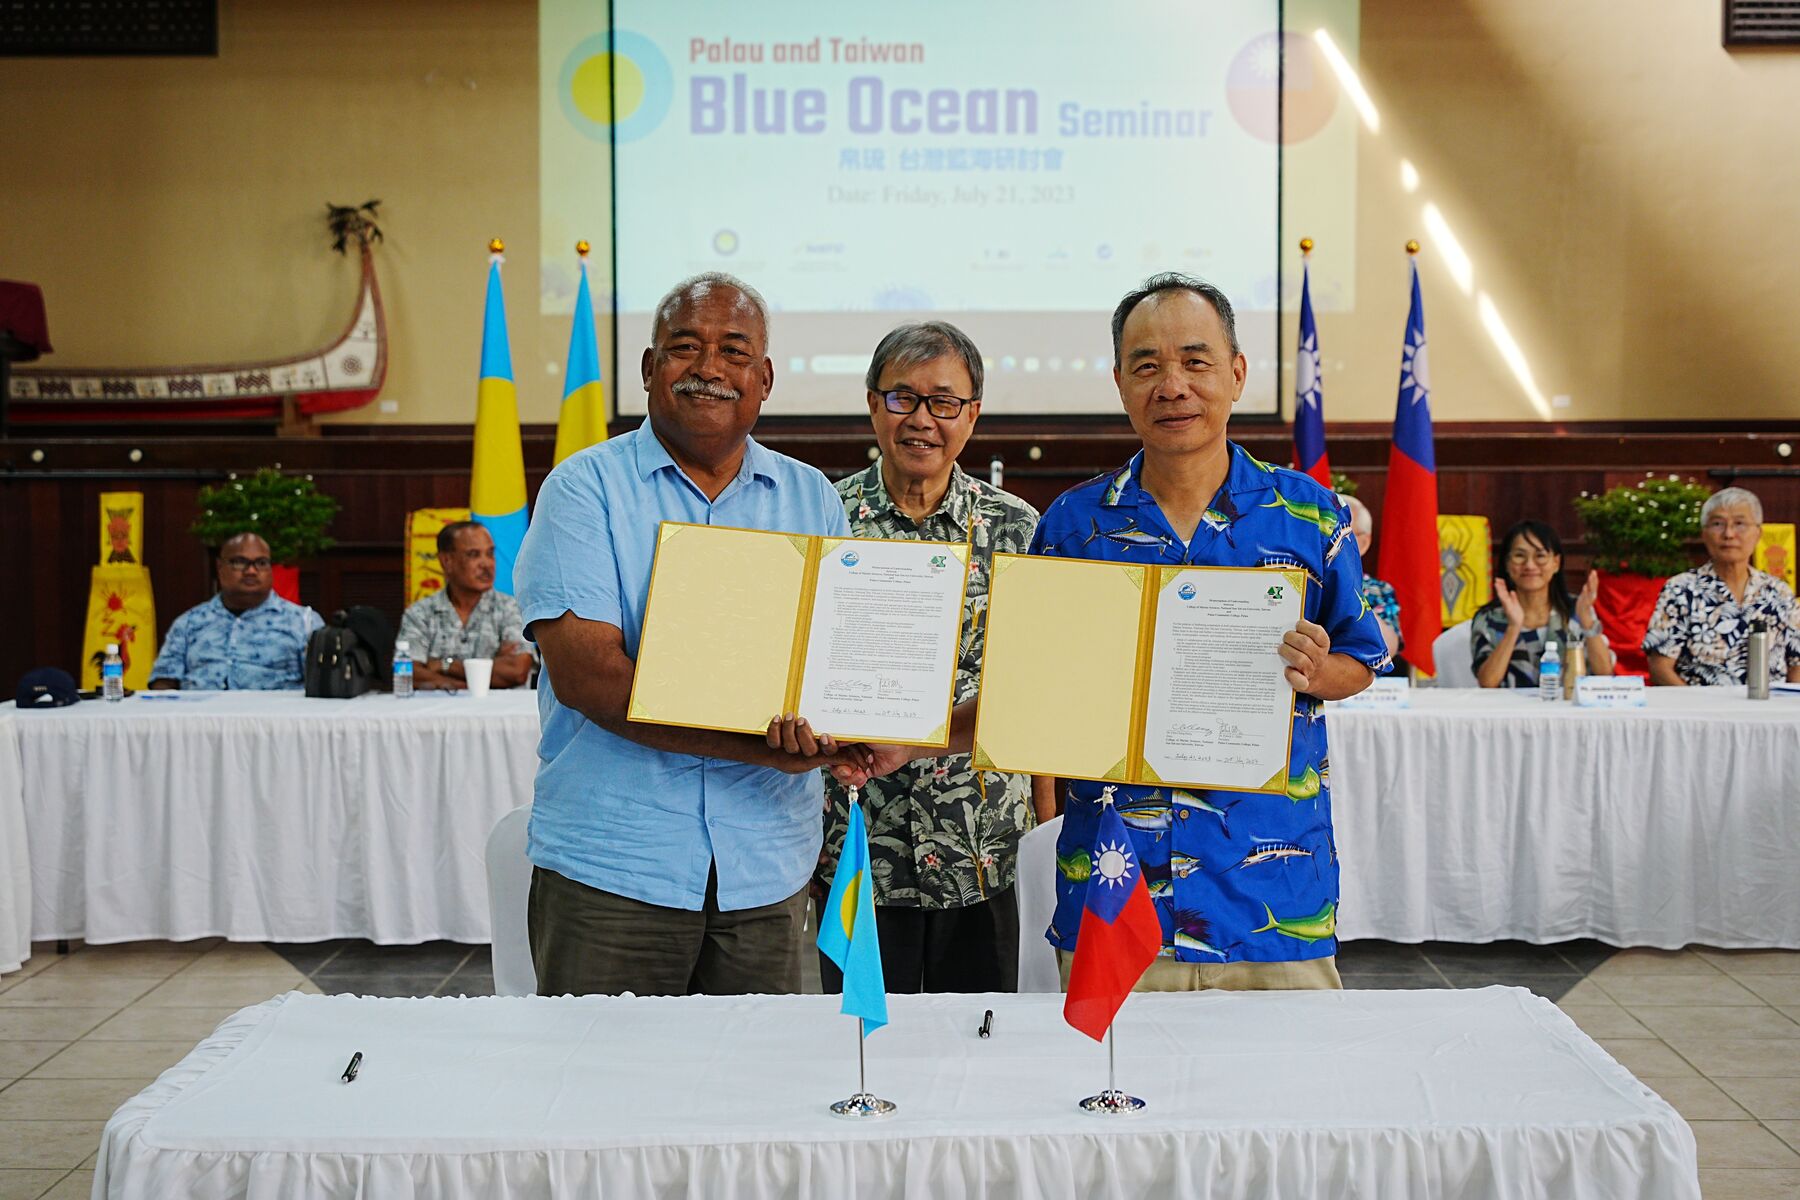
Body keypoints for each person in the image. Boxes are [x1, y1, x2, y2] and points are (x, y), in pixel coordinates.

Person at [512, 272, 880, 999]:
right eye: (685, 347)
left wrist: (865, 728)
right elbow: (592, 681)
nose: (709, 368)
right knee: (600, 1097)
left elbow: (835, 667)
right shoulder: (582, 489)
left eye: (733, 351)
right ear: (650, 370)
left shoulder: (813, 499)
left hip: (765, 873)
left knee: (751, 1103)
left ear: (764, 378)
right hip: (615, 872)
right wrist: (770, 751)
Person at [1029, 273, 1387, 991]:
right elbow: (1031, 695)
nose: (1172, 386)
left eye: (1195, 361)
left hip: (1270, 895)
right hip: (1114, 891)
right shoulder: (1071, 526)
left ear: (1237, 373)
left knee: (1283, 1098)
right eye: (1147, 365)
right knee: (1102, 1097)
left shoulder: (1310, 517)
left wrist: (1319, 673)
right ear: (1121, 383)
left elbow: (1361, 657)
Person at [816, 321, 1040, 995]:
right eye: (901, 398)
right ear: (871, 403)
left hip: (981, 847)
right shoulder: (823, 519)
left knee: (979, 1055)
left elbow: (1033, 689)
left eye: (943, 402)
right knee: (859, 1054)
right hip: (858, 843)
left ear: (972, 414)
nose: (922, 419)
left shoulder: (1018, 529)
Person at [1643, 486, 1800, 686]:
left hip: (1769, 712)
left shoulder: (1779, 592)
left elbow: (1796, 666)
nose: (1729, 534)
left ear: (1758, 534)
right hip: (1700, 712)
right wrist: (1702, 715)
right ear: (1704, 534)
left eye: (1740, 524)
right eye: (1718, 524)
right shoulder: (1681, 590)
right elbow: (1660, 668)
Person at [148, 531, 322, 690]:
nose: (251, 571)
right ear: (220, 567)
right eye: (240, 562)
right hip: (200, 721)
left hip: (275, 721)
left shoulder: (304, 622)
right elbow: (163, 680)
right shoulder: (189, 622)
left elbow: (323, 687)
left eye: (261, 563)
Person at [1471, 520, 1615, 688]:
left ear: (1556, 563)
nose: (1530, 565)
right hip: (1510, 712)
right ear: (1507, 564)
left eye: (1540, 556)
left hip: (1569, 710)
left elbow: (1605, 674)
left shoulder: (1576, 610)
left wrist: (1586, 621)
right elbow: (1487, 682)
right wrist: (1513, 627)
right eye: (1519, 556)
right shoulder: (1488, 619)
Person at [397, 520, 533, 689]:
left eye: (490, 553)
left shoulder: (511, 608)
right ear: (447, 561)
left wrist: (444, 665)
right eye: (474, 555)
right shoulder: (420, 613)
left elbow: (517, 671)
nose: (487, 564)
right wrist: (467, 684)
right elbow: (408, 673)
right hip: (438, 712)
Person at [1343, 495, 1402, 667]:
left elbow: (1387, 648)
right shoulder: (1303, 582)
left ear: (1363, 543)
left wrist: (1349, 586)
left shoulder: (1378, 590)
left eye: (1340, 533)